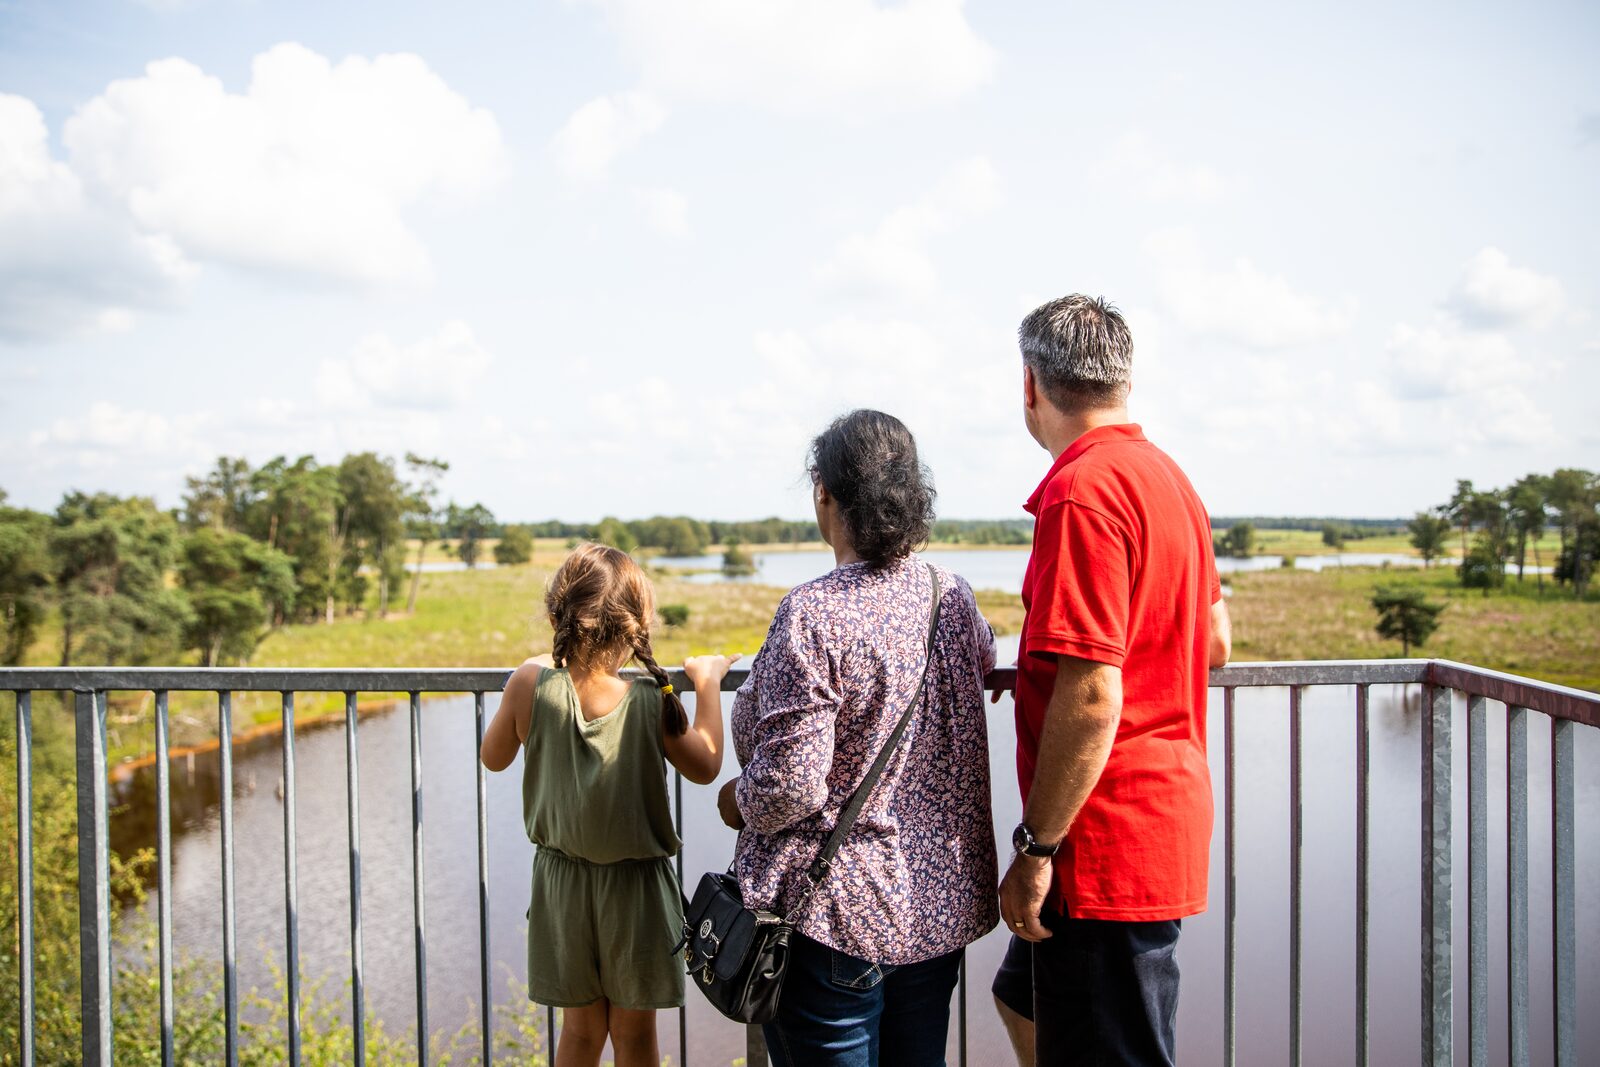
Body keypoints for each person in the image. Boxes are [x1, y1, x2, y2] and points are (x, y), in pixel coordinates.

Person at [716, 409, 999, 1067]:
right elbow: (984, 659)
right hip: (934, 909)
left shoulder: (812, 612)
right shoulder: (949, 594)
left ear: (825, 492)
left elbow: (789, 784)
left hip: (834, 916)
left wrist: (735, 798)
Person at [993, 295, 1231, 1067]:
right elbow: (1217, 641)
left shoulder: (1081, 491)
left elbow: (1093, 695)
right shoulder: (1168, 478)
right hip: (1157, 821)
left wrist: (1035, 848)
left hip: (1101, 844)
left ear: (1031, 385)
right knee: (1020, 993)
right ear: (1121, 381)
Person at [480, 542, 739, 1067]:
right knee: (635, 1037)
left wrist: (528, 674)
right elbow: (707, 764)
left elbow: (493, 757)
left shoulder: (530, 683)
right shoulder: (649, 699)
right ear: (638, 624)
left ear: (557, 615)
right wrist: (708, 684)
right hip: (636, 893)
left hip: (561, 887)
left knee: (578, 1033)